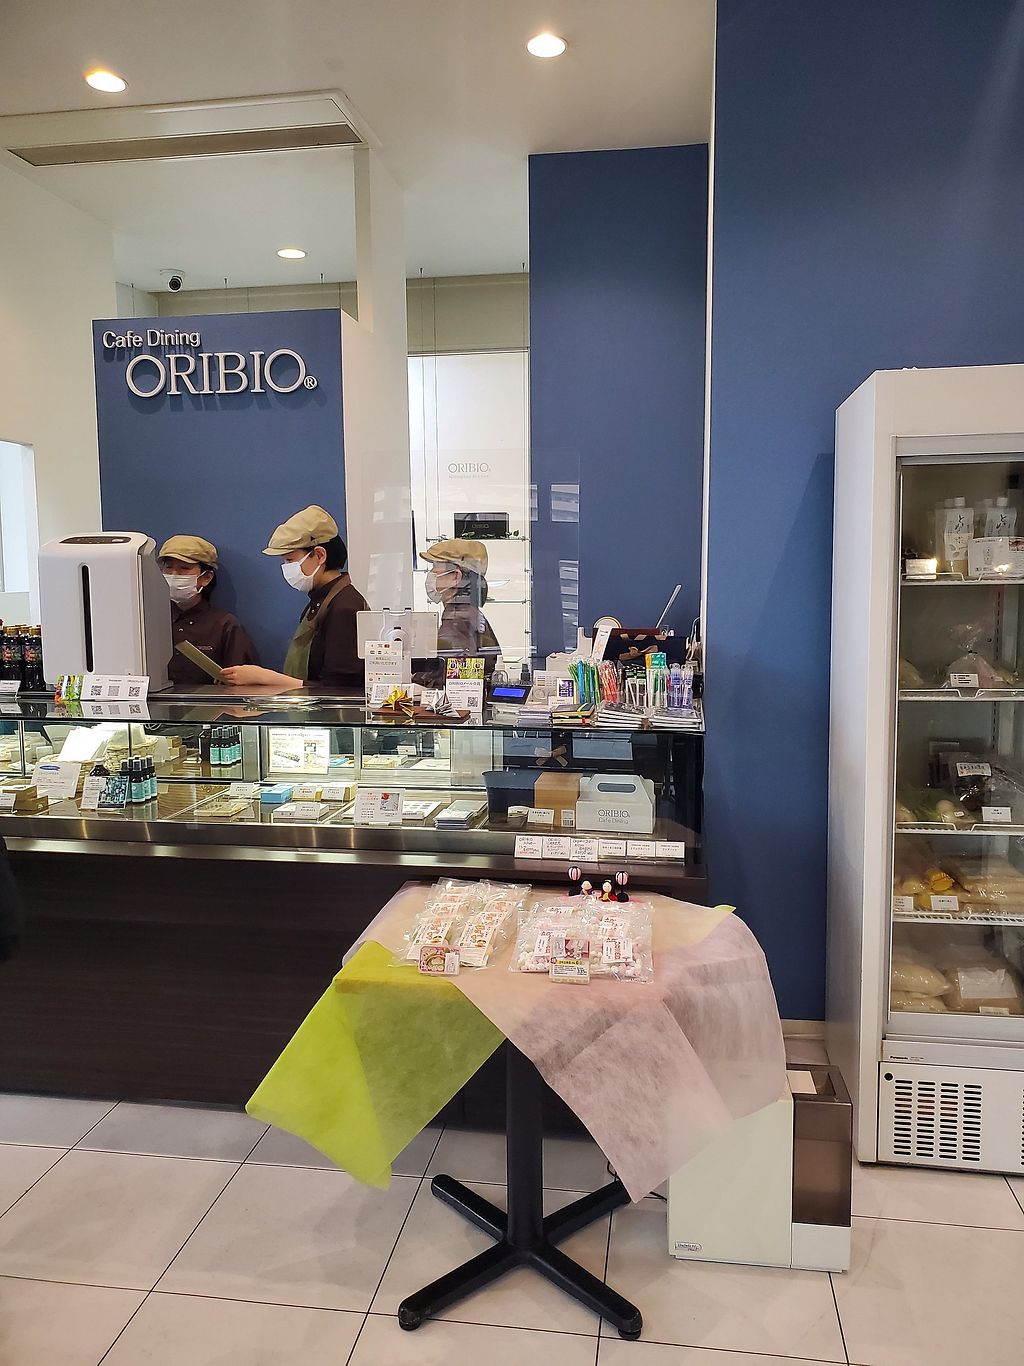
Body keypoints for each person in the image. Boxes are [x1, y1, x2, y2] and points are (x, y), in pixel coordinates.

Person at [222, 506, 368, 692]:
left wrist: (264, 677)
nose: (286, 567)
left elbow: (340, 691)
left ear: (319, 555)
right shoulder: (321, 600)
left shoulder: (344, 606)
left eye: (290, 560)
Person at [159, 535, 259, 686]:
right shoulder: (148, 620)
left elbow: (243, 683)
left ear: (206, 577)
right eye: (168, 567)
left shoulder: (225, 625)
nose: (173, 575)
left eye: (184, 568)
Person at [422, 538, 501, 669]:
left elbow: (449, 672)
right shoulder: (469, 614)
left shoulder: (456, 619)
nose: (431, 573)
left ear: (455, 577)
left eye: (435, 566)